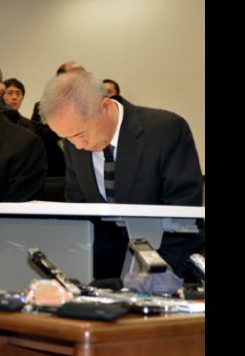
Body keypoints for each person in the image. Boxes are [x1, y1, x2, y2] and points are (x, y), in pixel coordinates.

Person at [39, 70, 203, 277]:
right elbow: (79, 211)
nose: (77, 146)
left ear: (105, 107)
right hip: (106, 267)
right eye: (66, 138)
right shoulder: (75, 143)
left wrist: (153, 273)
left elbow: (184, 213)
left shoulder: (165, 130)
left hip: (168, 261)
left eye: (81, 134)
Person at [30, 61, 86, 177]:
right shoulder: (44, 107)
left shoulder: (93, 105)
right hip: (55, 171)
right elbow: (39, 136)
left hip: (86, 169)